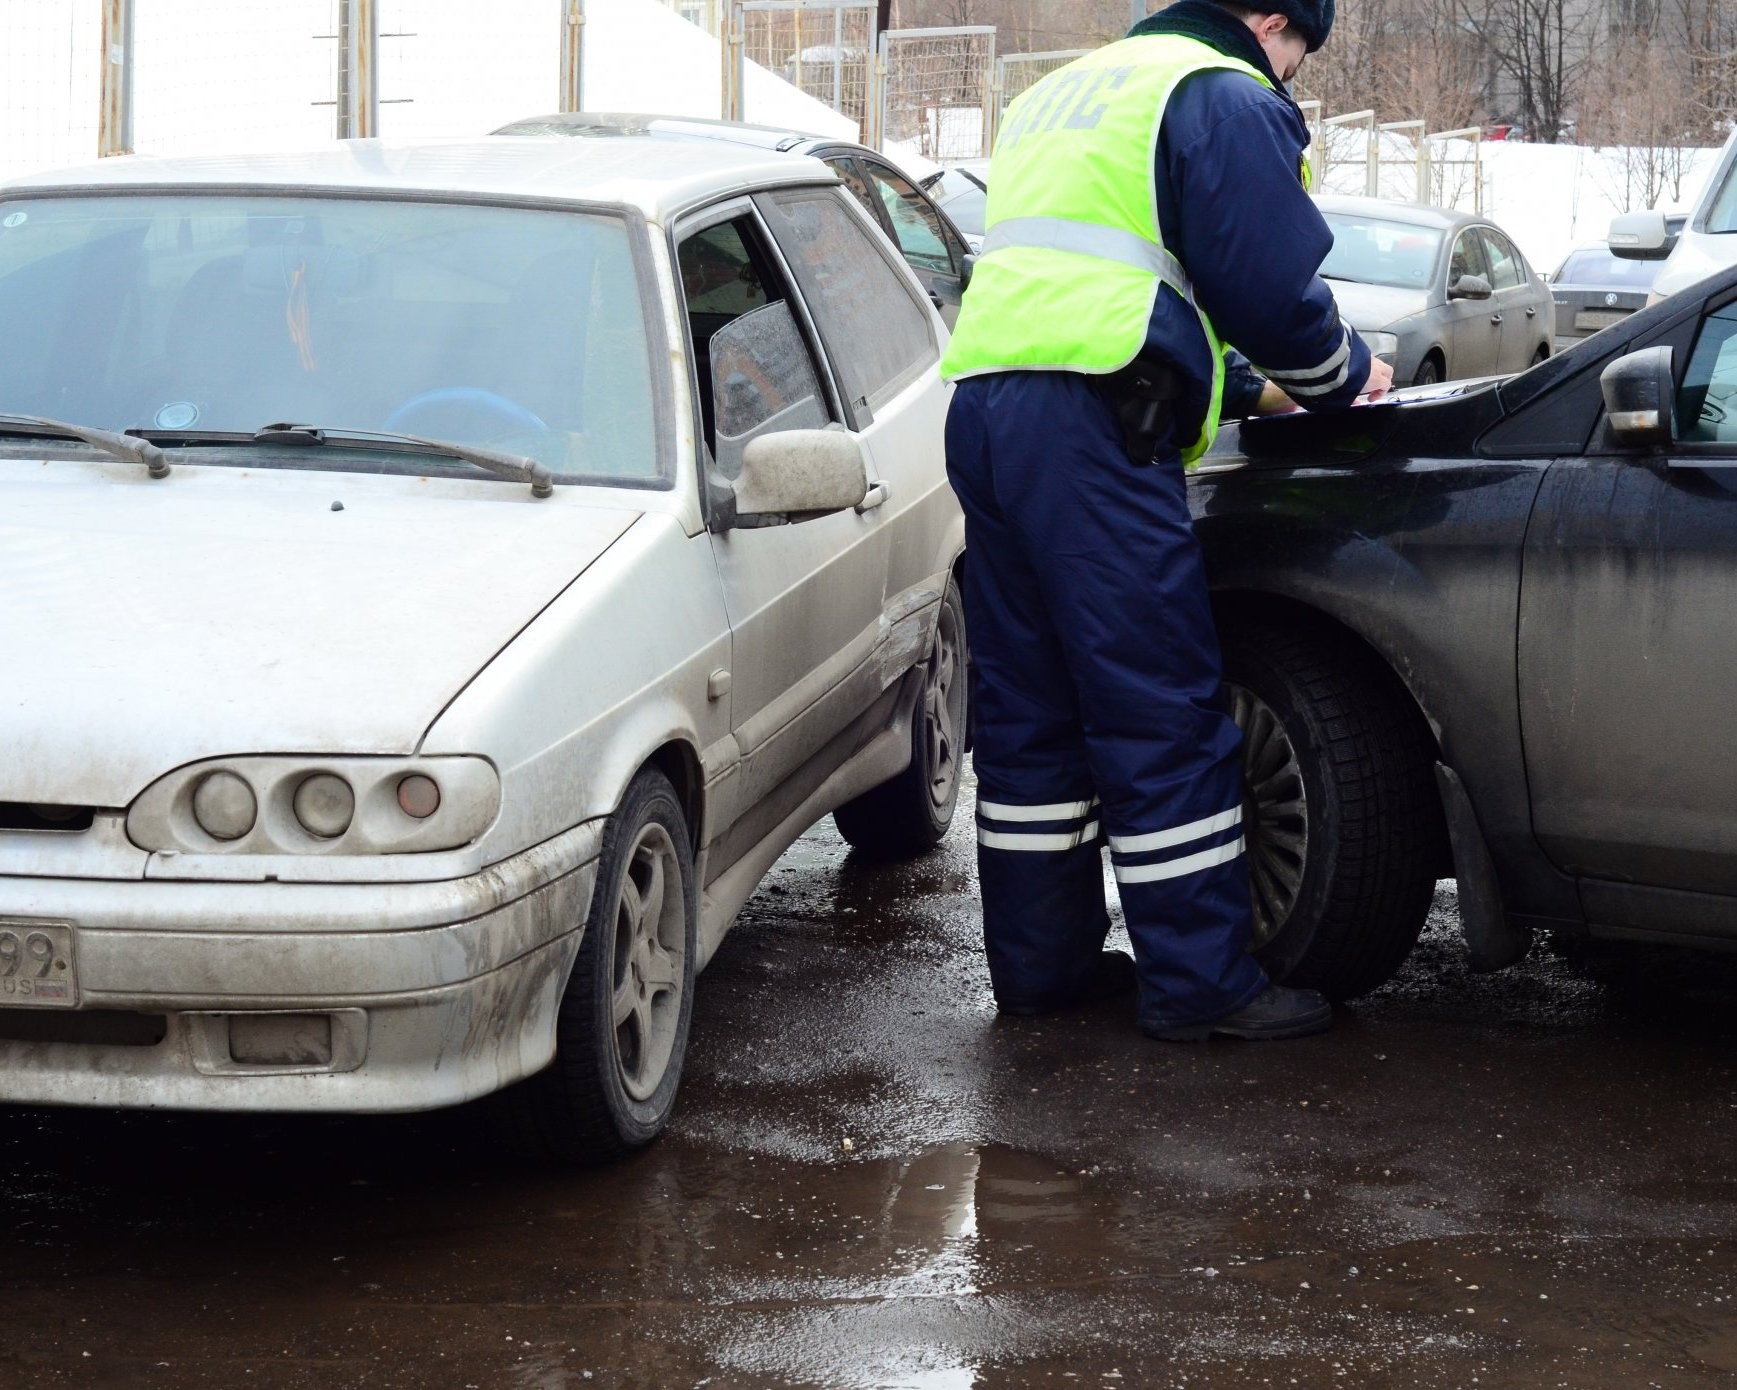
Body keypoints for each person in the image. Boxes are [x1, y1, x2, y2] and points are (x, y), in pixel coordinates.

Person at [939, 0, 1392, 1041]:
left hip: (989, 407)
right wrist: (1341, 379)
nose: (1289, 77)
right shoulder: (1219, 93)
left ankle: (1042, 969)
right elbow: (1270, 294)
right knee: (1155, 697)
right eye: (1296, 54)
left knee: (1030, 709)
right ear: (1272, 21)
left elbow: (1109, 285)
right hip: (1094, 425)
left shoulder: (1063, 92)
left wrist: (1240, 391)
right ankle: (1201, 986)